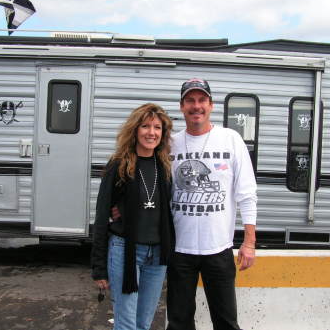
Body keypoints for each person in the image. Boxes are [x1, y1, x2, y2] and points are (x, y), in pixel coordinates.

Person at [166, 78, 258, 330]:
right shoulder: (169, 144)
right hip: (179, 250)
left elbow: (247, 194)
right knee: (178, 322)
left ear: (211, 105)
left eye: (202, 100)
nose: (197, 106)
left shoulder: (231, 139)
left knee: (226, 322)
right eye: (190, 100)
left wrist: (249, 242)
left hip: (218, 249)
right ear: (182, 106)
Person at [91, 103, 175, 330]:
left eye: (157, 127)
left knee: (143, 323)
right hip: (125, 251)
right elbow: (101, 216)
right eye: (145, 126)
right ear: (135, 130)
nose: (151, 132)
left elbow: (164, 211)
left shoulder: (164, 166)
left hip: (157, 256)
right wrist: (98, 267)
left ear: (163, 133)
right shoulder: (118, 165)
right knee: (127, 324)